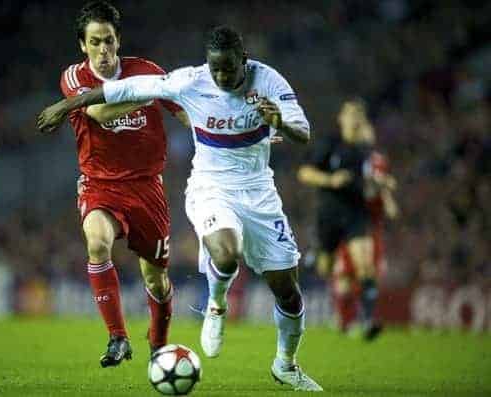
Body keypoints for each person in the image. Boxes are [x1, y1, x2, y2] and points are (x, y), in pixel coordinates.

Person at [38, 25, 323, 392]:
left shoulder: (268, 81)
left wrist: (279, 121)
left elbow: (303, 132)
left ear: (244, 61)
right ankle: (216, 306)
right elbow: (122, 89)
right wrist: (64, 106)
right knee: (226, 254)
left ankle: (286, 365)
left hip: (259, 193)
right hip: (211, 187)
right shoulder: (191, 81)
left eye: (229, 69)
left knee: (288, 291)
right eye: (215, 68)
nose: (221, 76)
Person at [51, 1, 189, 368]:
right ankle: (118, 338)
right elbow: (99, 112)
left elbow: (184, 112)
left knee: (156, 280)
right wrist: (148, 92)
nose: (103, 51)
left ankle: (159, 346)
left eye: (109, 41)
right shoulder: (75, 78)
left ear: (118, 40)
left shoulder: (147, 71)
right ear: (82, 45)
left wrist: (228, 133)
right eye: (94, 42)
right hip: (100, 185)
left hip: (147, 188)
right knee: (97, 242)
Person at [297, 99, 397, 340]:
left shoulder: (365, 150)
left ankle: (370, 319)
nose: (354, 119)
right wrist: (330, 181)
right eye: (350, 114)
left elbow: (372, 174)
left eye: (358, 115)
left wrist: (381, 183)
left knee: (365, 265)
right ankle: (316, 254)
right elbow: (305, 172)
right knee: (325, 267)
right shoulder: (329, 144)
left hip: (356, 213)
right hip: (329, 213)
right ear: (341, 118)